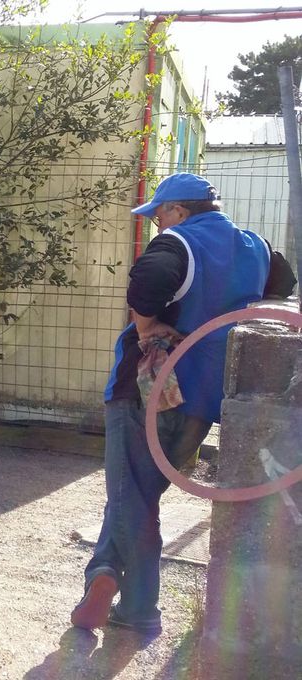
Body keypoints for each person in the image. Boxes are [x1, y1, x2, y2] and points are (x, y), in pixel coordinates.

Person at [70, 173, 296, 634]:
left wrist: (148, 325)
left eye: (158, 214)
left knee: (130, 496)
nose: (156, 223)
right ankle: (108, 576)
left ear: (180, 211)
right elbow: (285, 284)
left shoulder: (177, 241)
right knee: (139, 495)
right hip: (204, 401)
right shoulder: (256, 246)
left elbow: (147, 283)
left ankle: (132, 602)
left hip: (147, 390)